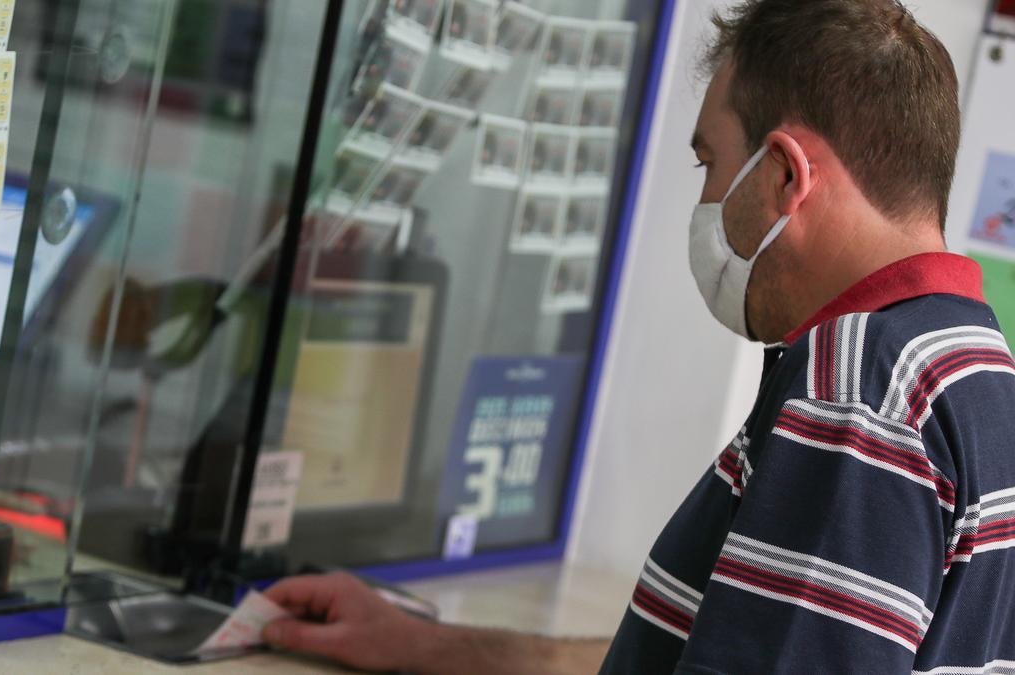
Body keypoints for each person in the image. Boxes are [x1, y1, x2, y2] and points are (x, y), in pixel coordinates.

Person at [261, 0, 1015, 672]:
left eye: (710, 161)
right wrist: (424, 647)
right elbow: (735, 638)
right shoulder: (973, 372)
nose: (706, 196)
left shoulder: (857, 386)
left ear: (785, 176)